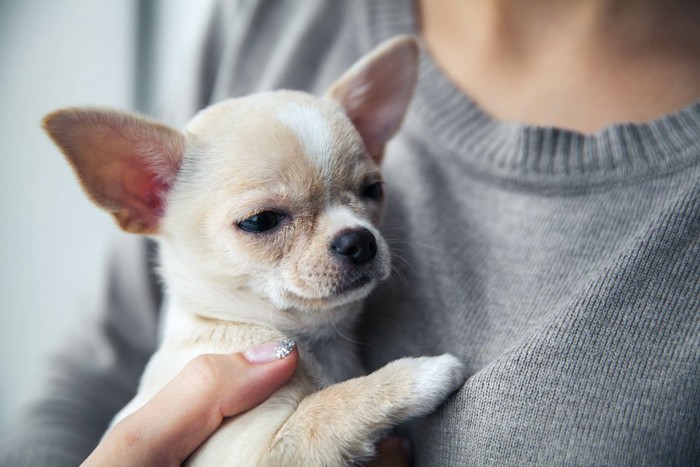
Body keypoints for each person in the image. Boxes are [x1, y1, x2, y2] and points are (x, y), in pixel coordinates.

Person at [2, 0, 699, 465]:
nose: (352, 234)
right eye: (265, 221)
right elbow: (85, 383)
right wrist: (379, 395)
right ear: (143, 191)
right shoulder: (270, 17)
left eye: (366, 192)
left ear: (373, 134)